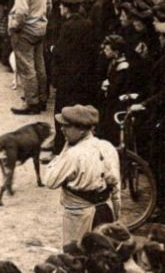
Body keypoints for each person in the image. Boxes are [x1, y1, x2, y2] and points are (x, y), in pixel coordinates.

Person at [42, 105, 121, 247]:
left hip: (78, 216)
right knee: (104, 254)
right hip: (106, 211)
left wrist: (64, 152)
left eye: (67, 126)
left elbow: (49, 181)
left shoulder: (74, 154)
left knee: (76, 258)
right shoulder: (107, 147)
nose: (62, 129)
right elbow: (116, 187)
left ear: (82, 129)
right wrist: (116, 215)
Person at [7, 0, 51, 115]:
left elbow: (21, 11)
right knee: (40, 65)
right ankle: (42, 98)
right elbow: (49, 5)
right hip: (40, 25)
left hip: (26, 29)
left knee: (26, 67)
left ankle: (31, 102)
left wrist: (15, 26)